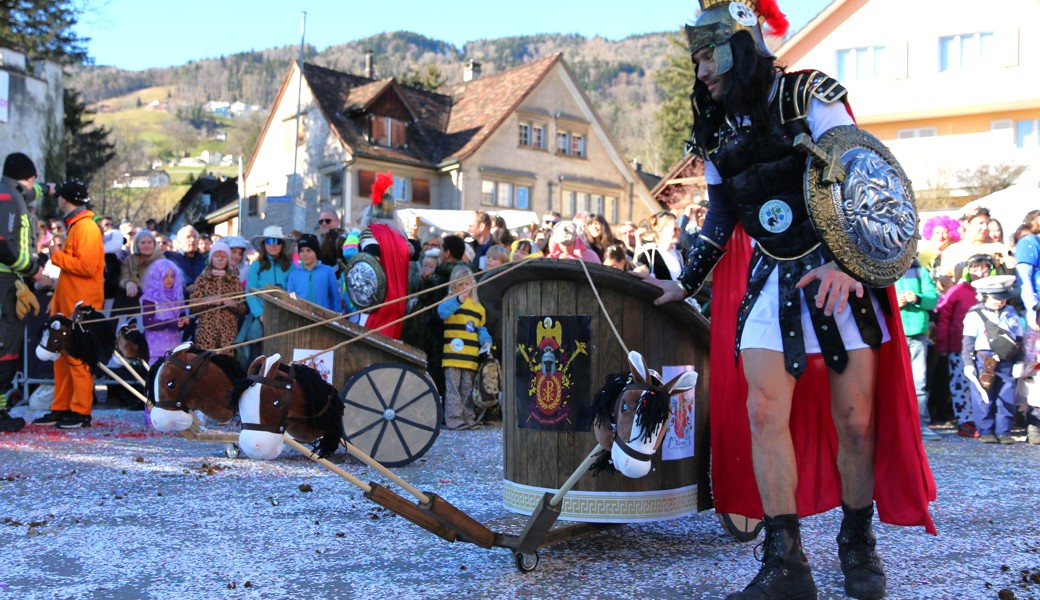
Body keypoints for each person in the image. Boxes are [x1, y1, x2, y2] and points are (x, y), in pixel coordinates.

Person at [638, 4, 935, 599]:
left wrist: (851, 266)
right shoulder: (715, 129)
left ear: (737, 46)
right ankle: (786, 563)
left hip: (838, 275)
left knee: (855, 422)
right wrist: (688, 279)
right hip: (770, 279)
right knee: (762, 413)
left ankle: (857, 542)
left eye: (705, 57)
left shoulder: (809, 96)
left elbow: (870, 179)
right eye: (695, 60)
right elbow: (724, 214)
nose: (700, 74)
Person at [32, 180, 104, 429]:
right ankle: (62, 407)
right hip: (68, 305)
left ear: (65, 199)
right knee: (62, 360)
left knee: (78, 360)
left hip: (81, 307)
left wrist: (56, 255)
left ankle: (81, 411)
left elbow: (87, 266)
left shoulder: (86, 228)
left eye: (60, 197)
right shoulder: (78, 226)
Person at [0, 152, 43, 432]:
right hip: (5, 281)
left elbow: (30, 195)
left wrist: (48, 189)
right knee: (4, 348)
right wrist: (32, 269)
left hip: (9, 280)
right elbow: (3, 242)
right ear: (26, 177)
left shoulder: (12, 192)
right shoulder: (8, 197)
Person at [935, 255, 995, 438]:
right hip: (960, 347)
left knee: (985, 384)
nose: (980, 273)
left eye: (984, 269)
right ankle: (964, 420)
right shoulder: (958, 291)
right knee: (961, 384)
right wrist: (943, 345)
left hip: (987, 348)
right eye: (975, 269)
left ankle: (984, 420)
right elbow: (943, 318)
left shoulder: (995, 292)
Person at [962, 275, 1023, 444]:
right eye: (996, 298)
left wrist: (1020, 361)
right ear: (985, 296)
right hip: (984, 358)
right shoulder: (975, 314)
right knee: (983, 395)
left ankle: (1004, 431)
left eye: (1003, 298)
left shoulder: (1011, 313)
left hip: (1006, 358)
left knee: (1006, 394)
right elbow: (968, 342)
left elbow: (1019, 339)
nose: (1000, 302)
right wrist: (968, 364)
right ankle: (986, 430)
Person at [356, 172, 411, 340]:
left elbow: (368, 270)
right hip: (398, 305)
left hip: (376, 306)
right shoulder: (401, 240)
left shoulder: (369, 234)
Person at [437, 263, 491, 430]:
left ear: (473, 285)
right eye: (461, 284)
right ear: (454, 285)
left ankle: (469, 418)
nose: (465, 287)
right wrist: (458, 300)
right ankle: (453, 419)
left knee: (468, 389)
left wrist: (486, 341)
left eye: (468, 284)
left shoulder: (478, 307)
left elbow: (481, 328)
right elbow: (442, 313)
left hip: (470, 356)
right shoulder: (449, 301)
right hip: (452, 355)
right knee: (453, 389)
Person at [895, 259, 940, 440]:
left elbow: (933, 299)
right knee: (895, 383)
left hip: (918, 335)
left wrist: (918, 298)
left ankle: (920, 425)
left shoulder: (920, 271)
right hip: (895, 334)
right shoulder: (882, 268)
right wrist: (895, 303)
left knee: (919, 383)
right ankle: (897, 426)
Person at [243, 225, 294, 364]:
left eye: (277, 241)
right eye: (269, 241)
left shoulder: (290, 266)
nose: (273, 245)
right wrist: (260, 314)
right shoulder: (256, 265)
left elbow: (293, 290)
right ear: (263, 244)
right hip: (262, 316)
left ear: (282, 245)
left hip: (284, 315)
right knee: (256, 355)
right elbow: (250, 292)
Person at [189, 241, 247, 356]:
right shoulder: (203, 279)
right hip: (206, 331)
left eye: (224, 256)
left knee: (225, 365)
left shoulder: (234, 280)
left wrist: (232, 304)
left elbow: (242, 309)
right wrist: (208, 301)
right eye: (216, 256)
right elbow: (192, 306)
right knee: (205, 364)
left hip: (228, 332)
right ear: (211, 259)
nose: (220, 259)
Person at [139, 258, 190, 360]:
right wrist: (171, 322)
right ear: (157, 278)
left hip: (174, 344)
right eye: (165, 276)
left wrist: (184, 320)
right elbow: (147, 322)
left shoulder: (178, 296)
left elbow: (181, 314)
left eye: (172, 276)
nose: (169, 279)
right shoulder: (150, 297)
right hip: (155, 347)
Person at [286, 233, 340, 312]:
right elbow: (291, 300)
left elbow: (335, 298)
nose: (305, 254)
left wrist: (336, 318)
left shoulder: (328, 271)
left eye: (309, 250)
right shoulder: (294, 275)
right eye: (301, 251)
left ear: (316, 252)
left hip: (324, 319)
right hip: (301, 318)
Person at [634, 210, 688, 280]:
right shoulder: (648, 255)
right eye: (674, 229)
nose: (678, 232)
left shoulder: (680, 254)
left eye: (679, 229)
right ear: (661, 231)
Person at [165, 225, 206, 295]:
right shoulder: (171, 257)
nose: (192, 240)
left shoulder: (204, 259)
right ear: (179, 242)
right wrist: (189, 284)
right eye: (188, 237)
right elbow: (179, 272)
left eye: (195, 237)